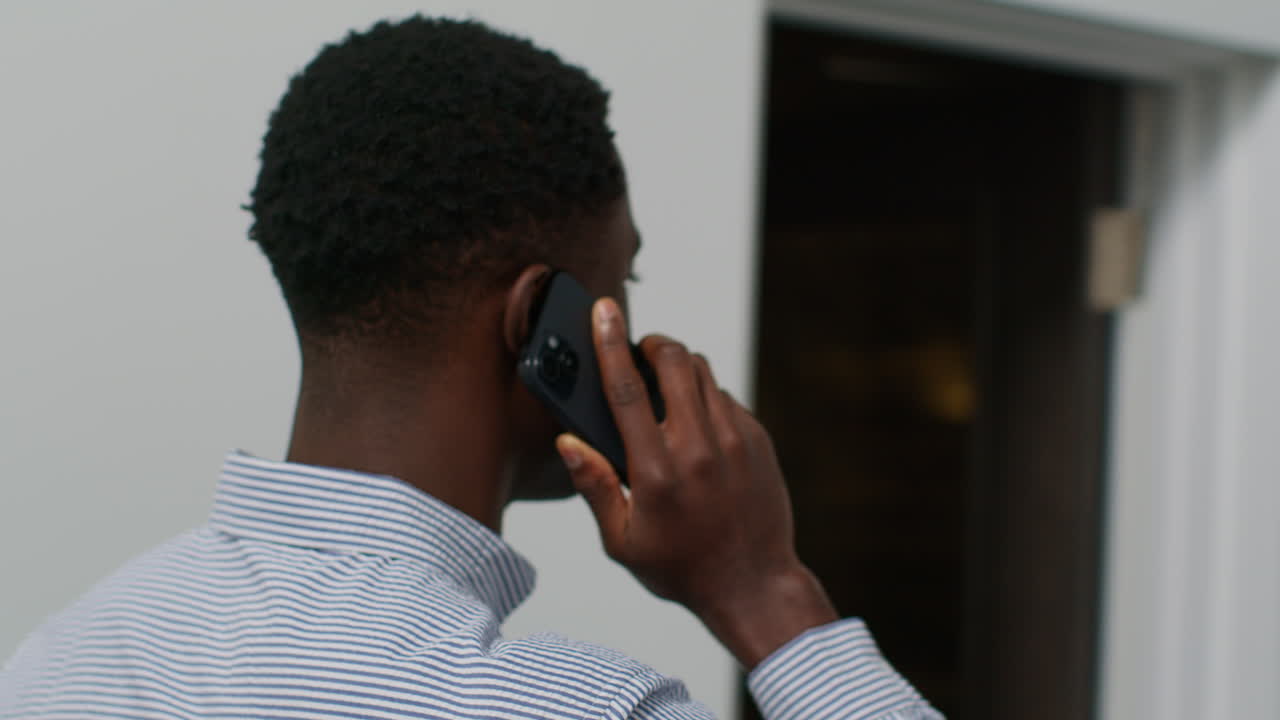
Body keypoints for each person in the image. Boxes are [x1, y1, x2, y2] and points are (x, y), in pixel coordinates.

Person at [0, 16, 940, 720]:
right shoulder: (581, 708)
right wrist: (762, 588)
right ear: (542, 323)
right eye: (625, 282)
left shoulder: (72, 650)